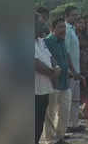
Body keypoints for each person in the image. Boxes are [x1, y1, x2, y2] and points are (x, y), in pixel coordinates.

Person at [43, 18, 81, 144]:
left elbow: (67, 56)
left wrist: (74, 71)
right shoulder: (47, 41)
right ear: (53, 29)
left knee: (65, 111)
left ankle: (60, 136)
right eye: (60, 27)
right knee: (51, 112)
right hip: (52, 83)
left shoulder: (62, 41)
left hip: (65, 82)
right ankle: (49, 139)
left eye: (64, 27)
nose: (63, 30)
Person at [35, 13, 61, 144]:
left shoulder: (40, 41)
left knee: (38, 125)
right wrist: (52, 72)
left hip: (44, 90)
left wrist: (56, 66)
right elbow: (35, 63)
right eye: (41, 23)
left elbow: (50, 57)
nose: (44, 26)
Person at [64, 6, 84, 133]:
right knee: (67, 101)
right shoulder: (65, 29)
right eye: (73, 15)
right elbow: (66, 52)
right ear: (66, 16)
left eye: (77, 15)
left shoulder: (73, 30)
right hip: (70, 72)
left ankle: (74, 124)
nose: (76, 17)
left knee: (76, 100)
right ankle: (64, 127)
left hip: (77, 71)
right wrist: (72, 71)